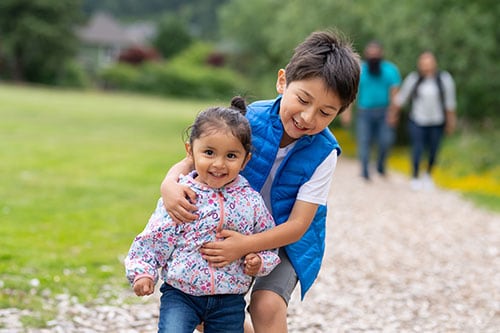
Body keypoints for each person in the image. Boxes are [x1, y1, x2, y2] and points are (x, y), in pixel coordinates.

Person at [160, 30, 360, 333]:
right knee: (201, 302)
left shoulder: (324, 153)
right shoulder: (249, 119)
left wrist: (246, 246)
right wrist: (168, 183)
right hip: (232, 227)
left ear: (340, 113)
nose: (307, 117)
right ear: (283, 82)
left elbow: (298, 226)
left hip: (284, 241)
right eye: (303, 99)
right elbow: (193, 160)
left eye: (325, 112)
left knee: (266, 305)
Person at [125, 96, 281, 333]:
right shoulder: (181, 196)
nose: (219, 164)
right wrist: (143, 273)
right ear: (191, 151)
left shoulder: (251, 201)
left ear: (245, 160)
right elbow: (154, 238)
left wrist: (259, 262)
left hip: (229, 298)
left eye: (231, 156)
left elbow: (267, 241)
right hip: (181, 294)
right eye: (209, 152)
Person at [390, 51, 457, 190]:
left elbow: (450, 103)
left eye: (429, 62)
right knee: (417, 148)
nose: (426, 66)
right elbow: (401, 99)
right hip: (417, 120)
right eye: (423, 63)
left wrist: (451, 122)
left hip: (437, 121)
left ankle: (428, 175)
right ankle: (415, 176)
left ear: (434, 63)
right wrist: (393, 114)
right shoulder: (414, 79)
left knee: (433, 150)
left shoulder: (444, 79)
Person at [342, 40, 401, 181]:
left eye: (376, 54)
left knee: (385, 141)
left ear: (381, 54)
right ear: (366, 55)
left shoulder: (390, 71)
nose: (373, 57)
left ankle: (380, 166)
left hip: (384, 112)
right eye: (371, 54)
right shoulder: (360, 71)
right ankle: (364, 171)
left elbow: (395, 94)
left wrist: (394, 113)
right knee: (364, 141)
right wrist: (346, 112)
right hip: (365, 112)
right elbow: (352, 94)